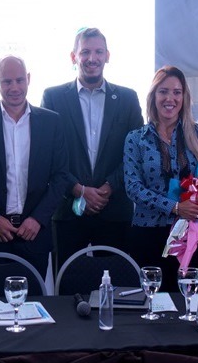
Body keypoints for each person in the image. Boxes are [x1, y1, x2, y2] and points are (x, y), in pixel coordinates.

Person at [41, 27, 144, 277]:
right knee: (66, 285)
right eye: (85, 52)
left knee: (115, 287)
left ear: (107, 56)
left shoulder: (128, 98)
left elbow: (135, 154)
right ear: (73, 57)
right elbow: (48, 154)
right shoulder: (53, 97)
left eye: (98, 52)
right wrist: (78, 190)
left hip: (114, 211)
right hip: (68, 211)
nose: (92, 58)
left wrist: (107, 187)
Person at [123, 65, 198, 291]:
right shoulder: (135, 139)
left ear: (184, 97)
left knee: (193, 302)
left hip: (193, 235)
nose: (169, 98)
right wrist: (176, 207)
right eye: (163, 91)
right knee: (152, 305)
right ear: (153, 96)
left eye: (176, 92)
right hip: (148, 237)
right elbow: (133, 187)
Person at [0, 55, 70, 280]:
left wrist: (38, 219)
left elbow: (60, 176)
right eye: (7, 81)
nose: (14, 88)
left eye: (20, 80)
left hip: (34, 235)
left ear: (28, 79)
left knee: (33, 299)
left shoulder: (52, 122)